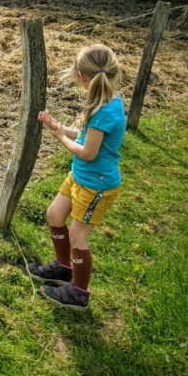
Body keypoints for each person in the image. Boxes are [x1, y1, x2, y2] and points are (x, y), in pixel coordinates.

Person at [27, 43, 125, 310]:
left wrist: (59, 137)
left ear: (82, 76)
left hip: (96, 185)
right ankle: (63, 268)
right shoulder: (104, 100)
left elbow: (88, 152)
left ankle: (79, 293)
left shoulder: (104, 110)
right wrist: (60, 127)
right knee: (54, 215)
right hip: (80, 177)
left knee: (78, 236)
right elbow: (83, 137)